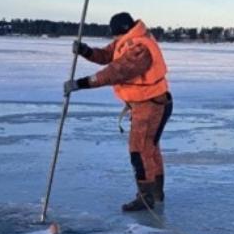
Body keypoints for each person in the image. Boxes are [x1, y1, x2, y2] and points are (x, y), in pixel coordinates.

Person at [64, 12, 173, 212]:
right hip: (146, 103)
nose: (113, 39)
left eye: (114, 34)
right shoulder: (129, 39)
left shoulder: (139, 47)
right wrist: (86, 51)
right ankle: (155, 192)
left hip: (151, 104)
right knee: (148, 148)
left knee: (139, 150)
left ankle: (147, 196)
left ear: (121, 30)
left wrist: (82, 83)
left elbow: (115, 72)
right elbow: (107, 56)